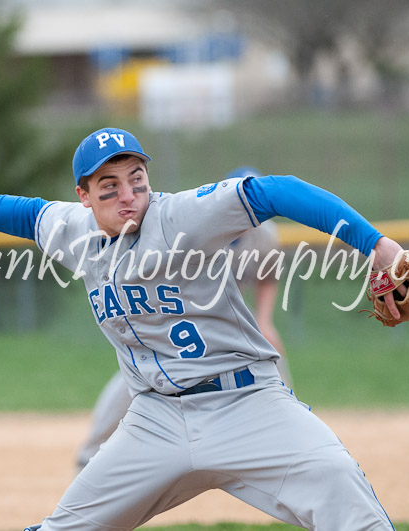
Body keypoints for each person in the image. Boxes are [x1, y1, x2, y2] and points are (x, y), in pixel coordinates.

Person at [0, 127, 404, 531]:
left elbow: (276, 191)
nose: (128, 194)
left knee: (348, 501)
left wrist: (378, 248)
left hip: (248, 404)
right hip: (155, 419)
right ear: (83, 196)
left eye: (137, 180)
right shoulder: (74, 230)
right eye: (109, 187)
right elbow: (20, 213)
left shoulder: (183, 217)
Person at [75, 167, 293, 471]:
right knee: (145, 371)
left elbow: (266, 275)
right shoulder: (202, 223)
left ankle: (285, 433)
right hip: (175, 311)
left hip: (224, 317)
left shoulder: (265, 235)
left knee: (270, 347)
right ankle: (92, 449)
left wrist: (264, 320)